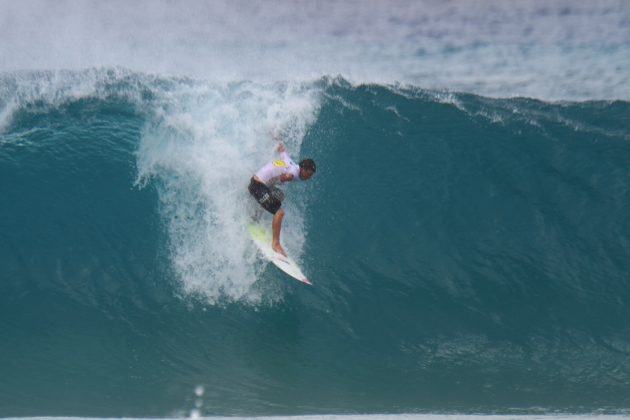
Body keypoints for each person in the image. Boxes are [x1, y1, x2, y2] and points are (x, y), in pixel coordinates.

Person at [248, 142, 316, 256]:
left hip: (258, 183)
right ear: (303, 168)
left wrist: (275, 136)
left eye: (310, 176)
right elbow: (290, 175)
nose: (308, 178)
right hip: (257, 186)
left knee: (279, 195)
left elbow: (282, 149)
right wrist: (285, 177)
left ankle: (255, 215)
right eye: (308, 174)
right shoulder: (294, 172)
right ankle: (275, 244)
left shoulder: (290, 162)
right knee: (279, 212)